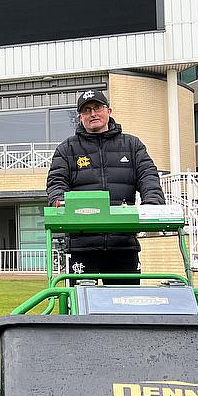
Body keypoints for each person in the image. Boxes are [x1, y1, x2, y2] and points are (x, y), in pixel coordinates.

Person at [46, 88, 165, 285]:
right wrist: (60, 201)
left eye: (97, 107)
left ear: (108, 110)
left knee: (126, 306)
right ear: (80, 117)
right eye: (86, 110)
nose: (93, 114)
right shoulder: (67, 149)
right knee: (81, 307)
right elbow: (56, 183)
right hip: (82, 246)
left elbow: (148, 176)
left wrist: (152, 203)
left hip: (123, 245)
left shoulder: (132, 145)